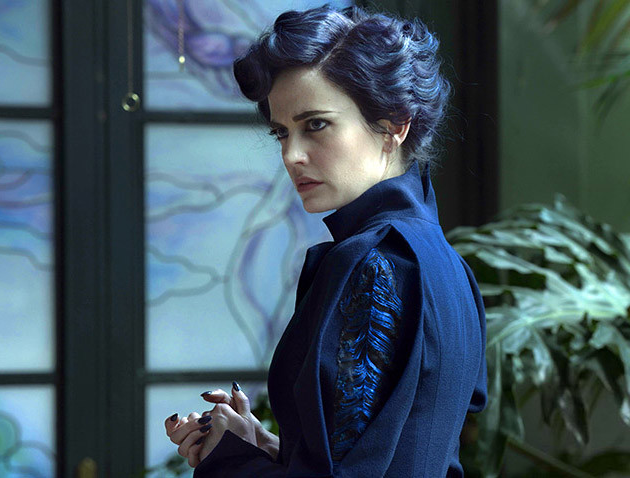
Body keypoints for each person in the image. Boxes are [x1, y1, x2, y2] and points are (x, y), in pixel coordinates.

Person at [164, 5, 487, 477]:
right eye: (281, 133)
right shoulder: (448, 265)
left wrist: (225, 461)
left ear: (394, 124)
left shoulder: (376, 263)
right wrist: (263, 447)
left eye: (316, 124)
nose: (291, 155)